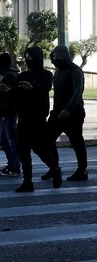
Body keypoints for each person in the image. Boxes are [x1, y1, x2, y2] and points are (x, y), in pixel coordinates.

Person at [15, 47, 62, 192]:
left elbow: (46, 87)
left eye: (31, 57)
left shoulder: (46, 74)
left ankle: (55, 168)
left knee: (40, 148)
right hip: (23, 116)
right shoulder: (23, 75)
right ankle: (27, 181)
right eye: (26, 56)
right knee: (23, 150)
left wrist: (33, 88)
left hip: (38, 117)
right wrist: (8, 90)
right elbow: (15, 91)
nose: (28, 60)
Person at [44, 45, 88, 182]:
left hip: (73, 113)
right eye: (53, 57)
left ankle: (82, 171)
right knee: (46, 139)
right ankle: (54, 167)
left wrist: (68, 109)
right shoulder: (58, 71)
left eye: (57, 57)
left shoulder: (75, 71)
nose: (54, 60)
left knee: (76, 142)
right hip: (57, 112)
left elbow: (77, 92)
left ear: (64, 56)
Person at [0, 53, 21, 177]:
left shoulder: (10, 75)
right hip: (3, 111)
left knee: (11, 139)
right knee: (4, 139)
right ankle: (11, 163)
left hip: (8, 111)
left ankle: (15, 166)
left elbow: (11, 94)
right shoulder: (5, 74)